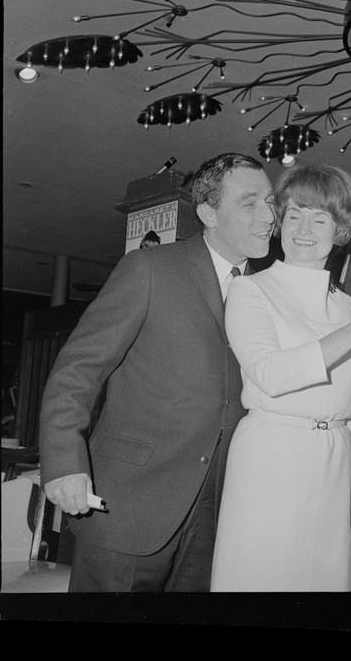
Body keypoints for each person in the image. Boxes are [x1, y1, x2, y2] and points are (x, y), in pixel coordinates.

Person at [38, 153, 276, 591]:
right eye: (250, 203)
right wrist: (62, 462)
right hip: (129, 502)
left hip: (220, 510)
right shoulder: (148, 269)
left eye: (271, 201)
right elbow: (77, 371)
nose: (269, 216)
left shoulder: (267, 291)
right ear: (208, 213)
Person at [210, 161, 351, 591]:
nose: (304, 228)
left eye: (320, 218)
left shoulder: (346, 307)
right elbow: (270, 374)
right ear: (279, 222)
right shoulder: (251, 289)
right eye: (294, 214)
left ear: (339, 231)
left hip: (334, 460)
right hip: (271, 454)